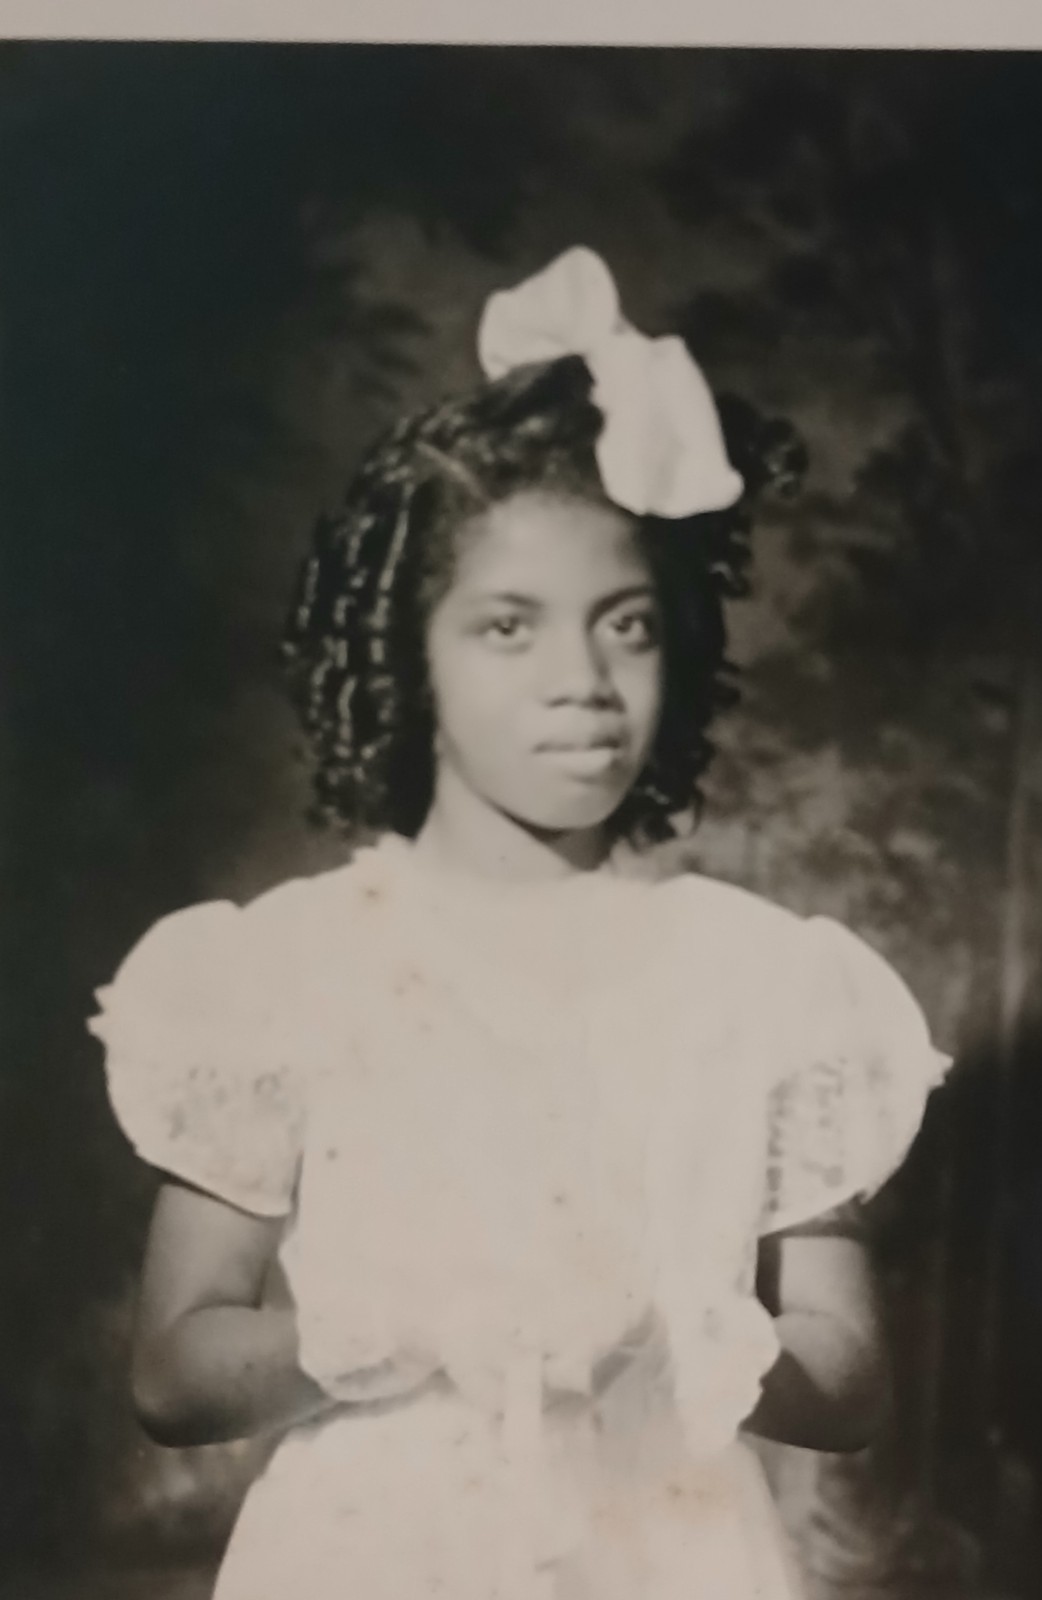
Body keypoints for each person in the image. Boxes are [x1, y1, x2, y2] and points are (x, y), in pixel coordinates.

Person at [89, 246, 949, 1600]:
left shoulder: (766, 984)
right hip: (373, 1555)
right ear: (407, 658)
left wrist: (696, 1339)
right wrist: (390, 1334)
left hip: (669, 1553)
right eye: (508, 628)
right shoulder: (286, 969)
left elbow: (845, 1379)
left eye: (626, 627)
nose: (582, 682)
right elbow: (173, 1367)